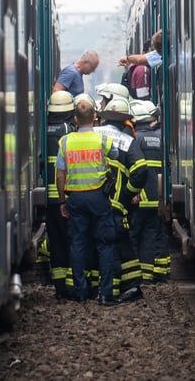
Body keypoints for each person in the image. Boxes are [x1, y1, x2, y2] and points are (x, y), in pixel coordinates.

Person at [55, 95, 119, 305]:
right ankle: (105, 293)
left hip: (75, 199)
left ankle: (80, 292)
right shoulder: (102, 140)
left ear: (75, 118)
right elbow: (117, 155)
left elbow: (60, 175)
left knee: (77, 243)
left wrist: (63, 201)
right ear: (94, 117)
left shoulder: (65, 141)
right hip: (98, 198)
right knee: (105, 243)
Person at [95, 97, 149, 303]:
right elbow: (141, 170)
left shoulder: (92, 135)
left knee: (96, 242)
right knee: (122, 243)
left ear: (104, 117)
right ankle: (130, 286)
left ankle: (98, 287)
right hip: (116, 203)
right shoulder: (128, 141)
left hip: (90, 199)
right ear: (126, 121)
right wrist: (127, 192)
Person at [129, 100, 170, 283]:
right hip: (156, 198)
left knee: (134, 235)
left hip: (139, 197)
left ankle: (135, 274)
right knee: (151, 235)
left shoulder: (136, 139)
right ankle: (148, 275)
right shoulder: (159, 138)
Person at [42, 90, 76, 300]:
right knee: (72, 240)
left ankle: (60, 288)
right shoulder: (67, 132)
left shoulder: (42, 129)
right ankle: (73, 284)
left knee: (55, 242)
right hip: (65, 197)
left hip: (47, 198)